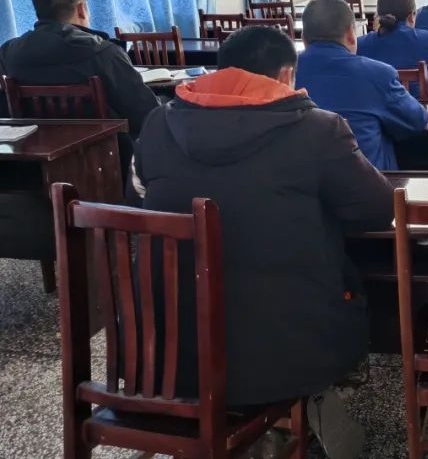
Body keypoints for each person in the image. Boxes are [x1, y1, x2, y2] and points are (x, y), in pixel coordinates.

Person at [135, 25, 394, 421]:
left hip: (169, 353)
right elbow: (377, 209)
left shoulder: (158, 123)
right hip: (286, 356)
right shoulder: (317, 129)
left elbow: (138, 196)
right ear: (287, 75)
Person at [0, 0, 159, 187]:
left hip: (33, 166)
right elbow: (143, 112)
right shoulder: (103, 52)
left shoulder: (9, 52)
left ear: (38, 12)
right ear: (82, 9)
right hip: (107, 160)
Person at [296, 0, 428, 171]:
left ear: (303, 39)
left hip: (300, 182)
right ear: (351, 35)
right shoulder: (378, 74)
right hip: (367, 182)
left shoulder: (282, 75)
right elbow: (418, 121)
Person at [356, 0, 428, 98]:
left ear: (378, 16)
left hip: (374, 109)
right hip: (421, 109)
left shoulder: (359, 45)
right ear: (412, 16)